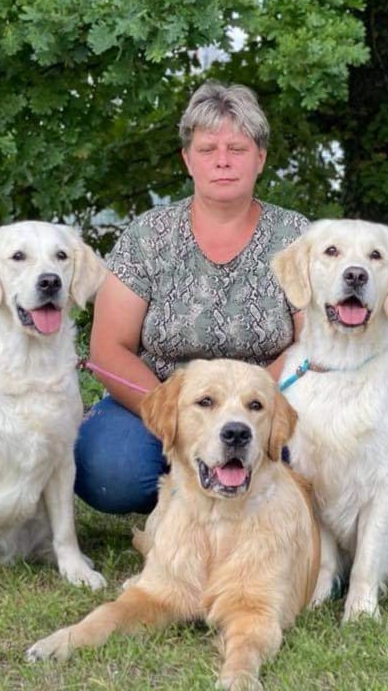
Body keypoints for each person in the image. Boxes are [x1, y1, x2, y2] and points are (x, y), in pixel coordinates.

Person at [74, 81, 309, 514]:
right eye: (207, 149)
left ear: (260, 158)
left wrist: (255, 406)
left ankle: (252, 504)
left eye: (237, 149)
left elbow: (313, 342)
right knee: (110, 470)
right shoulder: (148, 235)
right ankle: (180, 506)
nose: (222, 160)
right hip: (162, 401)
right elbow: (108, 349)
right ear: (187, 159)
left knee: (315, 464)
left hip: (265, 408)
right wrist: (179, 417)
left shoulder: (296, 237)